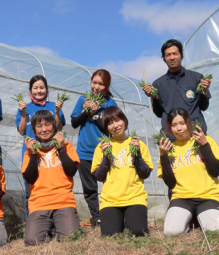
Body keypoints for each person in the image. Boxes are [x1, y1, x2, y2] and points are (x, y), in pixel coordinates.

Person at [91, 106, 153, 236]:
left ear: (124, 120)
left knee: (137, 232)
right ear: (106, 127)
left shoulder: (136, 143)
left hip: (135, 197)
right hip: (110, 200)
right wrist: (105, 159)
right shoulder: (102, 146)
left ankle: (129, 220)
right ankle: (119, 220)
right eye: (110, 123)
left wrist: (138, 156)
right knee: (110, 234)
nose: (115, 126)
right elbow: (98, 176)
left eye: (118, 120)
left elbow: (145, 174)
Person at [158, 108, 219, 237]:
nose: (179, 128)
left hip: (208, 196)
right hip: (181, 198)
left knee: (215, 231)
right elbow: (170, 183)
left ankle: (198, 219)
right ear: (169, 128)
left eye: (182, 123)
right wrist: (163, 156)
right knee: (171, 232)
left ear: (189, 123)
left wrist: (204, 145)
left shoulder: (206, 140)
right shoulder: (168, 149)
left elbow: (215, 171)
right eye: (174, 125)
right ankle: (193, 221)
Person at [22, 110, 80, 245]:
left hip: (63, 201)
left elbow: (71, 171)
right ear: (34, 130)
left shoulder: (67, 146)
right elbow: (30, 178)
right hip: (40, 202)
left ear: (54, 126)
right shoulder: (29, 151)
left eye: (47, 124)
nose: (44, 129)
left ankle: (60, 228)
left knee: (70, 240)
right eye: (39, 126)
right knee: (32, 241)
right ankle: (47, 231)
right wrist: (32, 153)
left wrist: (61, 149)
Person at [70, 69, 117, 226]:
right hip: (84, 152)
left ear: (107, 86)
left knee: (109, 185)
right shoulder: (83, 99)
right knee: (89, 188)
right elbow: (74, 123)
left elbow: (111, 128)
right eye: (94, 82)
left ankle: (111, 214)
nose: (96, 86)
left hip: (105, 151)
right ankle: (97, 218)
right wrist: (86, 111)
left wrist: (96, 114)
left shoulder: (110, 103)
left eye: (101, 84)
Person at [15, 75, 66, 217]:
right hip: (31, 153)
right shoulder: (25, 107)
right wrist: (24, 113)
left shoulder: (53, 106)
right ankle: (31, 221)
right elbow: (22, 131)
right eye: (35, 88)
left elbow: (59, 128)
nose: (39, 90)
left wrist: (56, 112)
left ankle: (54, 219)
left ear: (47, 89)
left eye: (41, 87)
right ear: (30, 91)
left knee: (53, 186)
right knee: (31, 189)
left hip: (52, 154)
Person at [142, 39, 212, 141]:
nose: (172, 58)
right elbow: (158, 114)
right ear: (164, 59)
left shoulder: (197, 78)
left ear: (181, 55)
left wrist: (203, 92)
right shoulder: (158, 84)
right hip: (171, 138)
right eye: (168, 55)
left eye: (175, 54)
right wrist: (155, 98)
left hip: (196, 135)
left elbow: (204, 107)